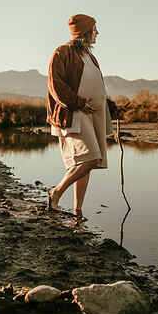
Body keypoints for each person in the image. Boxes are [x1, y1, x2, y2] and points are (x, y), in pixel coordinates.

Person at [46, 14, 118, 219]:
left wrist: (112, 107)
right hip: (73, 113)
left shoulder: (90, 57)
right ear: (85, 32)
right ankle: (56, 192)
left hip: (91, 114)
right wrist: (78, 103)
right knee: (91, 159)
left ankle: (78, 211)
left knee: (85, 163)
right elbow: (56, 85)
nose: (98, 33)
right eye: (95, 29)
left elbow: (97, 87)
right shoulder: (63, 52)